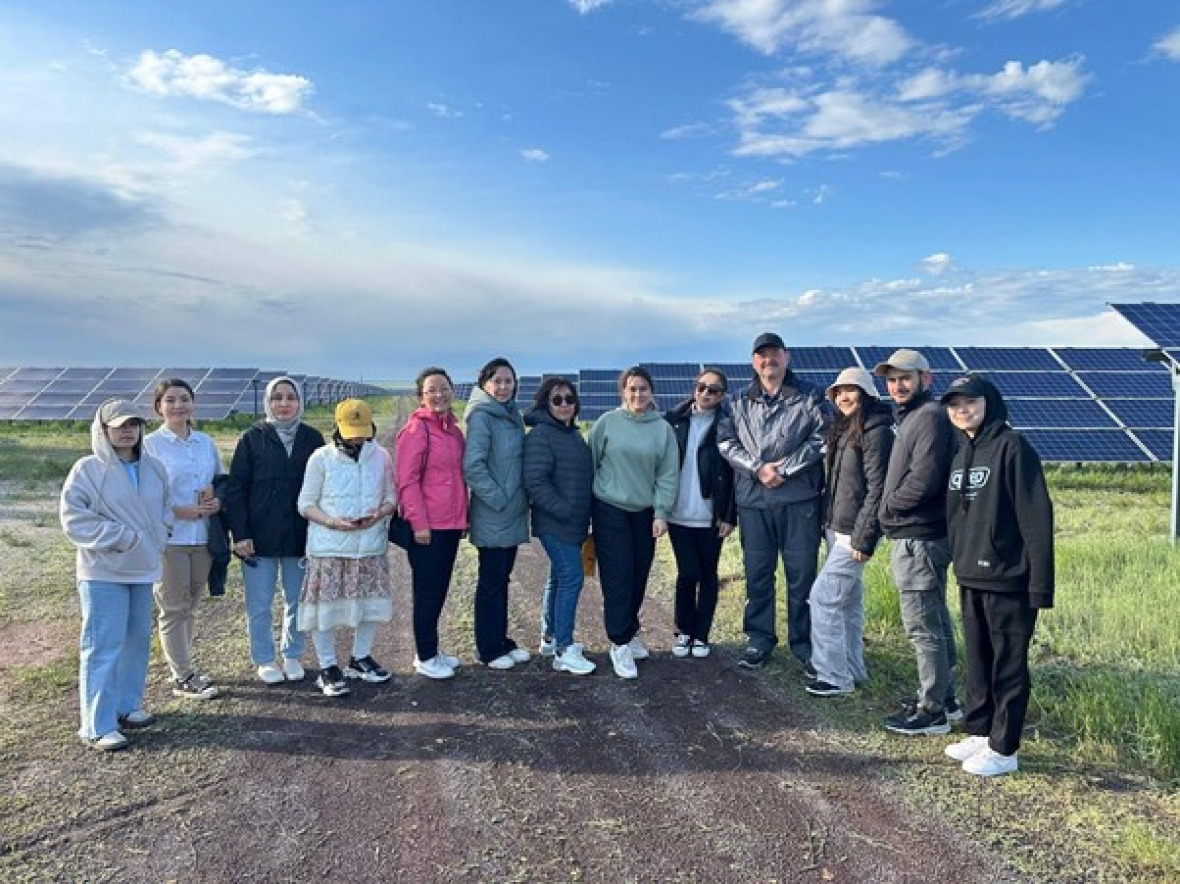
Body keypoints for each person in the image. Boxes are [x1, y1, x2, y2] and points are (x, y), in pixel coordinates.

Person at [940, 375, 1054, 777]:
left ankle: (1005, 749)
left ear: (989, 402)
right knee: (978, 658)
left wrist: (1040, 584)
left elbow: (1037, 519)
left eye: (969, 402)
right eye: (954, 405)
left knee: (1008, 664)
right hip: (970, 575)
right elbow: (956, 518)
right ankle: (980, 729)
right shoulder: (960, 454)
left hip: (1009, 579)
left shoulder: (1013, 448)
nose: (961, 410)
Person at [61, 399, 172, 751]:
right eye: (119, 424)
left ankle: (127, 705)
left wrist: (160, 534)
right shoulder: (87, 469)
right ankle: (96, 723)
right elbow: (74, 518)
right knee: (102, 644)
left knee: (137, 639)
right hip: (102, 570)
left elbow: (165, 507)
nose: (127, 430)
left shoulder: (154, 468)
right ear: (103, 428)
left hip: (143, 567)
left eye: (134, 424)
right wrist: (122, 537)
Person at [717, 332, 827, 672]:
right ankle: (759, 639)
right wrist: (757, 469)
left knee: (801, 576)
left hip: (799, 501)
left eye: (775, 354)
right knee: (758, 574)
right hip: (753, 501)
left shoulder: (811, 396)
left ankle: (804, 643)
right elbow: (725, 442)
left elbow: (823, 437)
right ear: (754, 362)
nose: (769, 360)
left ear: (786, 357)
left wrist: (787, 470)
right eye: (762, 355)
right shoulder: (736, 401)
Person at [873, 349, 961, 735]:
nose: (897, 385)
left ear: (927, 378)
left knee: (922, 624)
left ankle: (933, 710)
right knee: (936, 619)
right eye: (891, 379)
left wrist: (888, 508)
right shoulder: (919, 416)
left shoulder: (927, 417)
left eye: (905, 377)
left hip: (918, 537)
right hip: (922, 535)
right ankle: (947, 697)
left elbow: (924, 479)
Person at [224, 377, 325, 685]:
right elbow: (236, 490)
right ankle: (265, 659)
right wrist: (240, 534)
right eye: (277, 398)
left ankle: (293, 655)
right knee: (260, 604)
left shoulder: (313, 439)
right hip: (258, 537)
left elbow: (325, 487)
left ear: (300, 402)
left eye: (290, 397)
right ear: (267, 402)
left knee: (298, 601)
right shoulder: (252, 438)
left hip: (301, 536)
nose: (284, 404)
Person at [297, 399, 397, 697]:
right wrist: (331, 522)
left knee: (368, 606)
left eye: (362, 431)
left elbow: (392, 497)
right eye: (351, 431)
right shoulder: (321, 458)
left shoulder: (381, 457)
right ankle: (328, 666)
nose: (356, 437)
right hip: (329, 547)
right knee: (325, 610)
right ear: (337, 427)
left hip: (368, 545)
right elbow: (305, 504)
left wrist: (379, 514)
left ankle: (360, 657)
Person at [805, 368, 893, 698]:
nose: (844, 397)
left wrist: (864, 536)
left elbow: (878, 488)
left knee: (824, 598)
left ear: (867, 393)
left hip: (853, 532)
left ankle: (833, 676)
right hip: (837, 527)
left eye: (851, 390)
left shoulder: (876, 432)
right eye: (839, 391)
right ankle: (853, 668)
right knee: (847, 603)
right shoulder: (845, 429)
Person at [589, 366, 679, 679]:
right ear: (622, 392)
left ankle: (630, 629)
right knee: (618, 577)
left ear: (651, 392)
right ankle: (619, 643)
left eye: (643, 388)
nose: (637, 394)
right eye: (631, 389)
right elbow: (592, 462)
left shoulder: (662, 429)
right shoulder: (607, 423)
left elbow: (668, 473)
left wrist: (660, 512)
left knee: (640, 573)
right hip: (609, 508)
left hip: (644, 513)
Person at [143, 378, 224, 702]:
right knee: (173, 607)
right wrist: (178, 510)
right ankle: (183, 675)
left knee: (190, 605)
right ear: (158, 407)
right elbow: (145, 492)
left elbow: (219, 480)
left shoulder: (205, 443)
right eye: (170, 400)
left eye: (184, 399)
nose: (178, 406)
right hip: (170, 538)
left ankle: (184, 665)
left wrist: (217, 501)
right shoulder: (150, 445)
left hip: (202, 537)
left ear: (193, 403)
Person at [396, 367, 467, 680]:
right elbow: (407, 481)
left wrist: (462, 518)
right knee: (426, 591)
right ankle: (424, 655)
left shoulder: (453, 429)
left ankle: (432, 650)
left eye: (444, 388)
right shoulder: (416, 430)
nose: (439, 395)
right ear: (421, 397)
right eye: (431, 390)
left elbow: (458, 477)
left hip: (450, 524)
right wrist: (419, 523)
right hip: (428, 526)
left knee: (439, 590)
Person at [523, 377, 596, 675]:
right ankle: (565, 649)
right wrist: (565, 510)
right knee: (572, 578)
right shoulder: (542, 435)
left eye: (569, 399)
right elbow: (535, 482)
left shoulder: (571, 434)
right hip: (556, 523)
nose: (564, 404)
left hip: (574, 523)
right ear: (545, 403)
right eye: (557, 400)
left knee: (557, 578)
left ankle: (550, 637)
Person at [663, 367, 737, 659]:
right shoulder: (674, 422)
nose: (706, 393)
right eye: (701, 387)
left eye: (714, 390)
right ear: (694, 388)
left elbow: (733, 476)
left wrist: (730, 515)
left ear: (722, 396)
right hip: (678, 513)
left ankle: (701, 635)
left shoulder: (728, 426)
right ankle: (684, 631)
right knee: (688, 572)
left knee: (708, 574)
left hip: (711, 516)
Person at [464, 358, 531, 670]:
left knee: (502, 578)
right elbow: (472, 466)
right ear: (484, 384)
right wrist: (500, 498)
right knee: (491, 581)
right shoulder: (481, 417)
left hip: (512, 512)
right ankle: (487, 648)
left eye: (508, 381)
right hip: (495, 512)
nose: (504, 387)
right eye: (497, 381)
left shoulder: (510, 414)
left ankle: (501, 640)